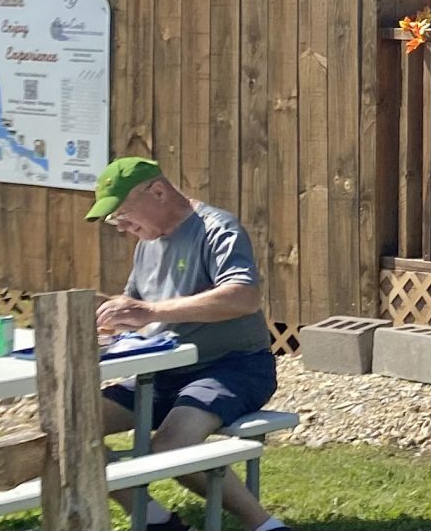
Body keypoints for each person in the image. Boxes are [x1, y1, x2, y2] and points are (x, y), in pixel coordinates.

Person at [85, 157, 288, 531]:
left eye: (123, 215)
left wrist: (147, 311)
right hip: (160, 372)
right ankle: (157, 522)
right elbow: (140, 308)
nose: (122, 228)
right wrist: (113, 317)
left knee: (171, 446)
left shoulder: (215, 228)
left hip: (232, 366)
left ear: (158, 191)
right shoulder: (147, 243)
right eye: (115, 221)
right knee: (72, 428)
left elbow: (243, 296)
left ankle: (265, 526)